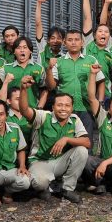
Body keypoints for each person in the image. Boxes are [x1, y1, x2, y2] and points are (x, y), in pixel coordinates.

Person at [18, 75, 90, 203]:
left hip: (61, 161)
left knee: (82, 150)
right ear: (53, 107)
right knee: (39, 183)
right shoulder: (43, 117)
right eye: (60, 105)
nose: (63, 109)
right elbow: (24, 111)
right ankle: (45, 188)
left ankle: (67, 189)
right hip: (41, 161)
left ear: (72, 108)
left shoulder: (74, 119)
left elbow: (87, 142)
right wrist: (23, 89)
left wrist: (67, 139)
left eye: (67, 105)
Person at [48, 28, 105, 137]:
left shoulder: (91, 60)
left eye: (77, 40)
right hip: (65, 110)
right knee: (65, 140)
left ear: (82, 42)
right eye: (70, 40)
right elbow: (51, 86)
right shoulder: (58, 61)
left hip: (86, 108)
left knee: (86, 141)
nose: (73, 43)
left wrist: (100, 102)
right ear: (64, 43)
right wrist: (49, 68)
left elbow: (101, 81)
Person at [82, 0, 112, 98]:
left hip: (105, 96)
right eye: (100, 31)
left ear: (109, 36)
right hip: (84, 94)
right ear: (94, 35)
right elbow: (88, 18)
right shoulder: (88, 44)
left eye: (106, 32)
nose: (103, 33)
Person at [0, 36, 47, 109]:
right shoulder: (6, 68)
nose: (22, 50)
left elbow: (44, 90)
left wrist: (39, 107)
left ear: (31, 51)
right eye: (18, 48)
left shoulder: (39, 68)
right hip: (11, 110)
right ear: (14, 52)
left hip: (31, 110)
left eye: (25, 47)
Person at [33, 0, 64, 65]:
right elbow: (38, 24)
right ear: (48, 40)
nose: (55, 41)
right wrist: (39, 3)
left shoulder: (65, 58)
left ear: (63, 41)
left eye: (59, 38)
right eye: (52, 38)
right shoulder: (43, 49)